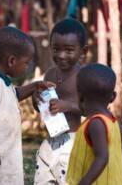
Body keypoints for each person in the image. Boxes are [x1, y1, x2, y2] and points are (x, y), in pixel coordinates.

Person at [0, 26, 54, 185]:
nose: (27, 67)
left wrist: (35, 86)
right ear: (12, 61)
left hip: (3, 157)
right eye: (26, 63)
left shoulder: (2, 83)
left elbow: (15, 95)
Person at [33, 18, 88, 184]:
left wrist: (68, 106)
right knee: (43, 179)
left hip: (73, 141)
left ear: (83, 51)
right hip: (50, 140)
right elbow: (42, 108)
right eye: (56, 49)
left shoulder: (84, 77)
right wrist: (37, 101)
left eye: (69, 50)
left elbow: (95, 109)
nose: (61, 55)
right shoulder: (50, 73)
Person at [66, 63, 122, 185]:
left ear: (80, 96)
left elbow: (102, 157)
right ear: (112, 97)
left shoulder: (95, 123)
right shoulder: (110, 121)